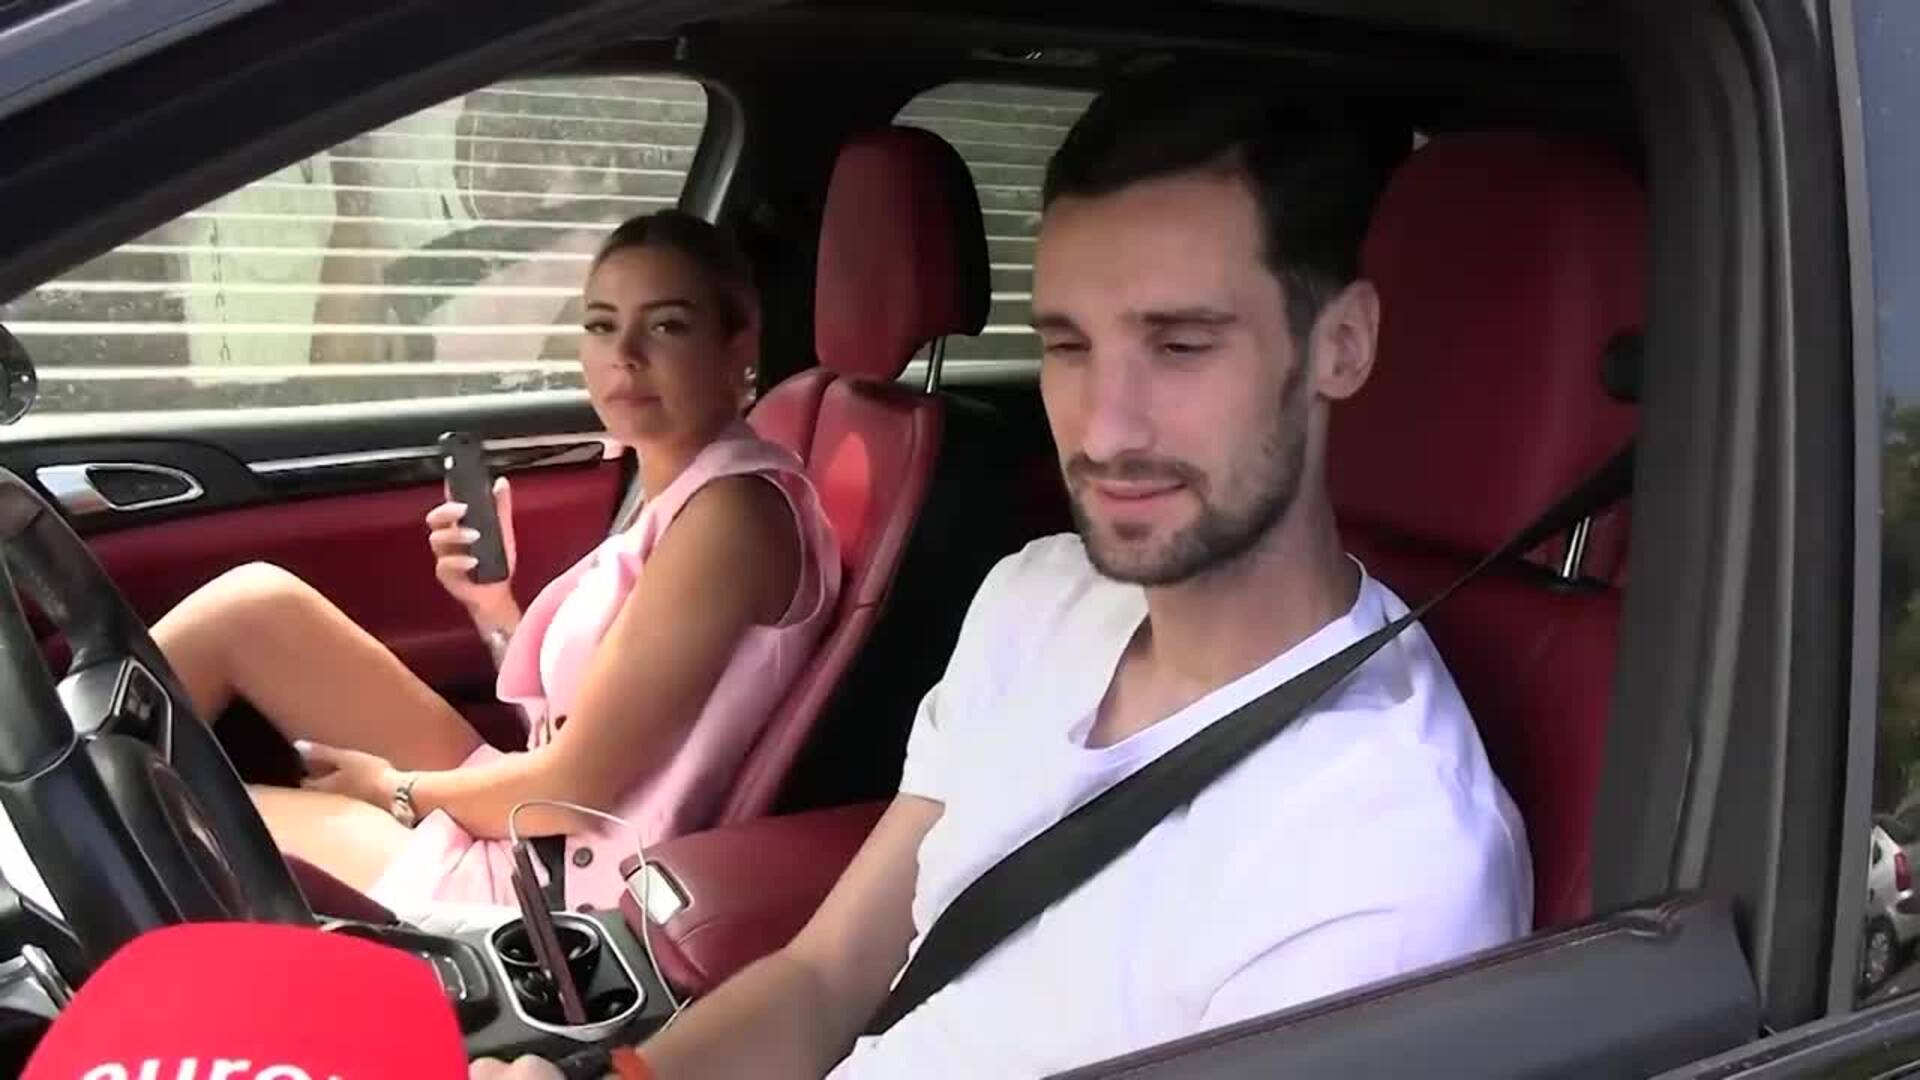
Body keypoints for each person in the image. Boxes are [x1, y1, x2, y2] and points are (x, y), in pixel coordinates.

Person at [474, 78, 1529, 1080]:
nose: (1104, 431)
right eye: (1067, 347)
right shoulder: (1036, 597)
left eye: (1181, 346)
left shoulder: (1386, 870)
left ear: (1341, 344)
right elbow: (822, 978)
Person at [154, 210, 842, 914]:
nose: (625, 354)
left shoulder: (732, 516)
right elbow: (583, 723)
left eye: (667, 326)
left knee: (164, 815)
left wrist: (394, 791)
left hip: (552, 882)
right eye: (601, 324)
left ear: (738, 343)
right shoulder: (681, 485)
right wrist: (494, 608)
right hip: (540, 813)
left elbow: (577, 786)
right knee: (254, 606)